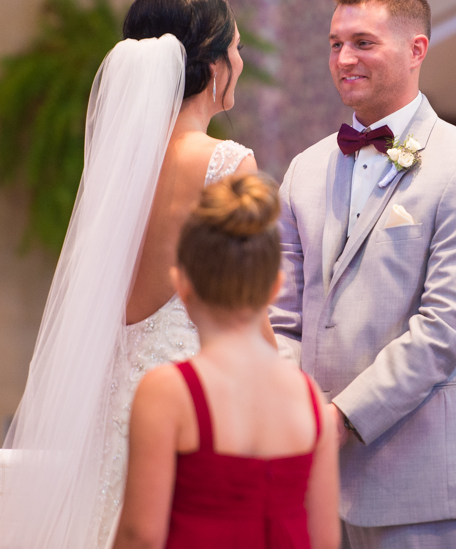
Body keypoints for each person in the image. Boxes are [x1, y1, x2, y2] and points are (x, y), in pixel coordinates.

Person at [0, 0, 262, 549]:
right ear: (214, 64)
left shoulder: (117, 171)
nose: (240, 61)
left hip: (113, 409)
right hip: (194, 404)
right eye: (237, 48)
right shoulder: (226, 162)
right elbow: (245, 310)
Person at [269, 0, 456, 547]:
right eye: (335, 44)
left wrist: (343, 417)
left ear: (416, 49)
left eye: (362, 42)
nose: (344, 58)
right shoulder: (305, 169)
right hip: (312, 479)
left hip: (419, 477)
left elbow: (449, 325)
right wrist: (297, 409)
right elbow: (281, 314)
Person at [113, 174, 340, 549]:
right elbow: (326, 540)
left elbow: (142, 535)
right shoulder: (311, 399)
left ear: (182, 285)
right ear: (274, 287)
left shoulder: (167, 393)